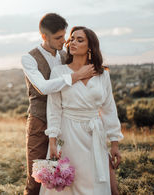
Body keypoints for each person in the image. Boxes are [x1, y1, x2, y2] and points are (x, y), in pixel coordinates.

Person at [41, 26, 123, 195]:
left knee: (93, 181)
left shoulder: (102, 74)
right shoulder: (59, 72)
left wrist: (114, 143)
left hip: (94, 133)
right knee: (70, 183)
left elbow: (109, 109)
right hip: (68, 132)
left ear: (90, 46)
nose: (73, 42)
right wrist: (52, 140)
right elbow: (54, 108)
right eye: (72, 39)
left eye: (80, 40)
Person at [21, 13, 96, 195]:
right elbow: (43, 87)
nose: (65, 41)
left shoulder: (65, 55)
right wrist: (76, 75)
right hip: (40, 122)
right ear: (44, 36)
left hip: (65, 123)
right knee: (37, 176)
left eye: (64, 36)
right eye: (58, 37)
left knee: (65, 173)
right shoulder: (29, 58)